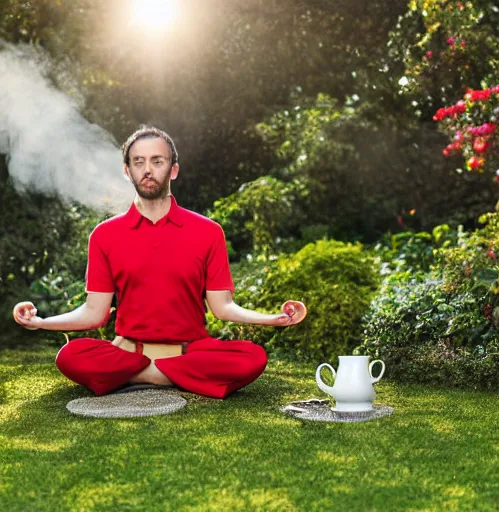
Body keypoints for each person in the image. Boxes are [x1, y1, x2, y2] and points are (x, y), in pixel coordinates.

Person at [12, 126, 307, 398]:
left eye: (157, 161)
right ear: (127, 172)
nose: (147, 170)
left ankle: (142, 376)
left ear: (173, 169)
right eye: (138, 162)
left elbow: (222, 307)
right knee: (70, 356)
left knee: (253, 357)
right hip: (129, 351)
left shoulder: (208, 232)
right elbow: (93, 314)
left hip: (190, 351)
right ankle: (169, 377)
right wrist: (41, 322)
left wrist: (271, 318)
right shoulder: (104, 235)